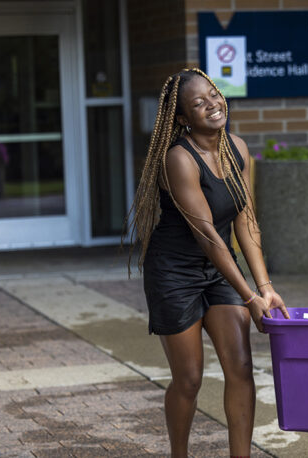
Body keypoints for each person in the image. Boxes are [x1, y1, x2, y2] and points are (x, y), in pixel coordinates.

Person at [124, 67, 289, 457]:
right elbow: (209, 237)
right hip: (174, 273)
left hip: (217, 270)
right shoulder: (177, 160)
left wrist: (265, 289)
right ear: (183, 118)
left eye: (213, 95)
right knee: (189, 378)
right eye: (198, 103)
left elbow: (245, 222)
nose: (212, 105)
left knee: (241, 367)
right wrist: (249, 297)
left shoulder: (238, 148)